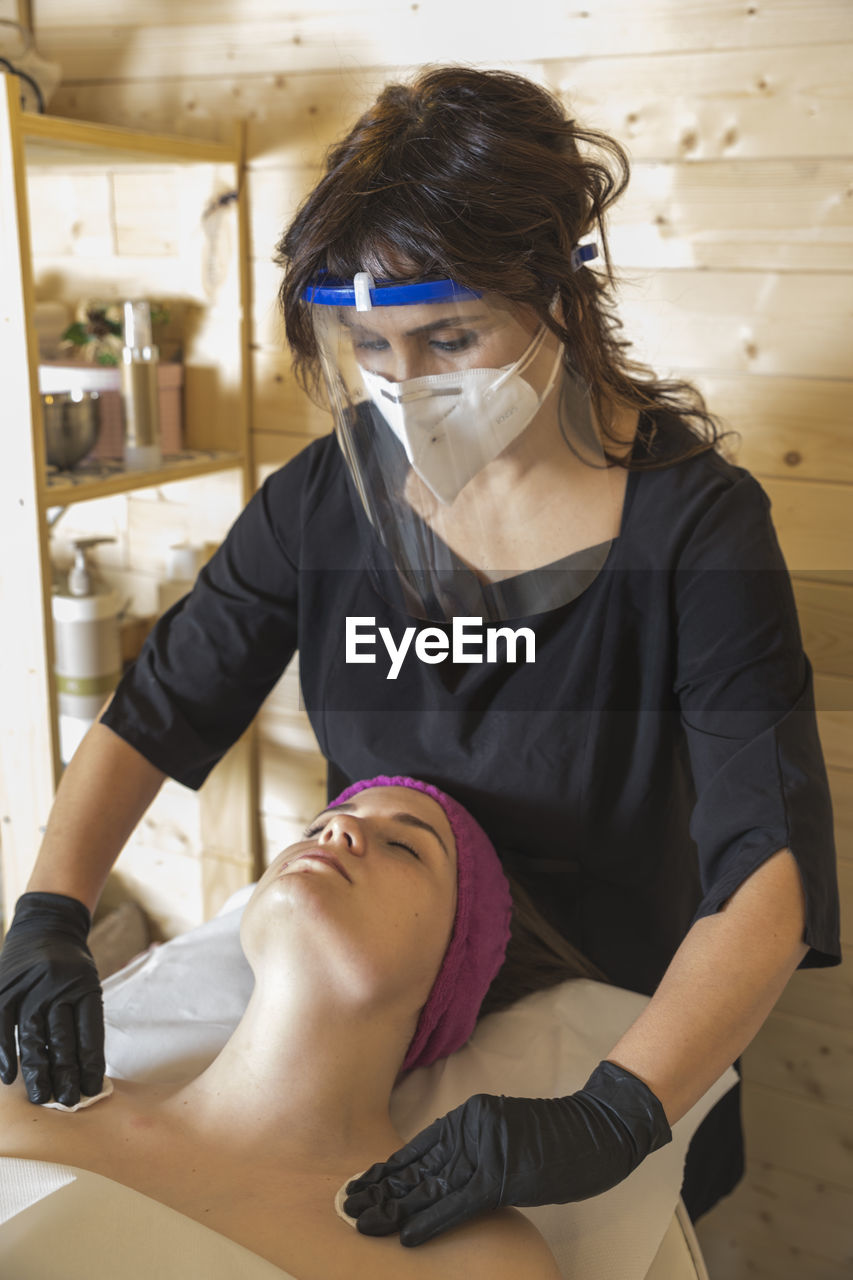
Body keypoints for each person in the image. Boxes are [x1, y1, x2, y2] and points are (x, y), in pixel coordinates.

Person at [0, 65, 840, 1241]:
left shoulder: (693, 530)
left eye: (449, 338)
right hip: (377, 994)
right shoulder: (325, 501)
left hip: (611, 1014)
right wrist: (47, 908)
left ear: (559, 283)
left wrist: (611, 1110)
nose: (406, 388)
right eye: (373, 349)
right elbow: (159, 705)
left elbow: (769, 864)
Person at [0, 778, 566, 1278]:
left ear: (453, 969)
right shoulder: (23, 1099)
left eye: (405, 846)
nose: (338, 826)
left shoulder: (475, 1256)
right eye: (316, 825)